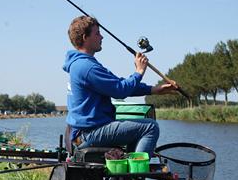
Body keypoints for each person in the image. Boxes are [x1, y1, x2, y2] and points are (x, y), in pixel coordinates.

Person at [63, 16, 177, 157]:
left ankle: (127, 174)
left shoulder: (82, 64)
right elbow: (120, 91)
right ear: (85, 37)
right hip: (90, 133)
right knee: (150, 127)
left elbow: (117, 85)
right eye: (97, 33)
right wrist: (139, 71)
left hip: (84, 132)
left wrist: (155, 90)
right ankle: (136, 174)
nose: (102, 37)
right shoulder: (87, 67)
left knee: (138, 129)